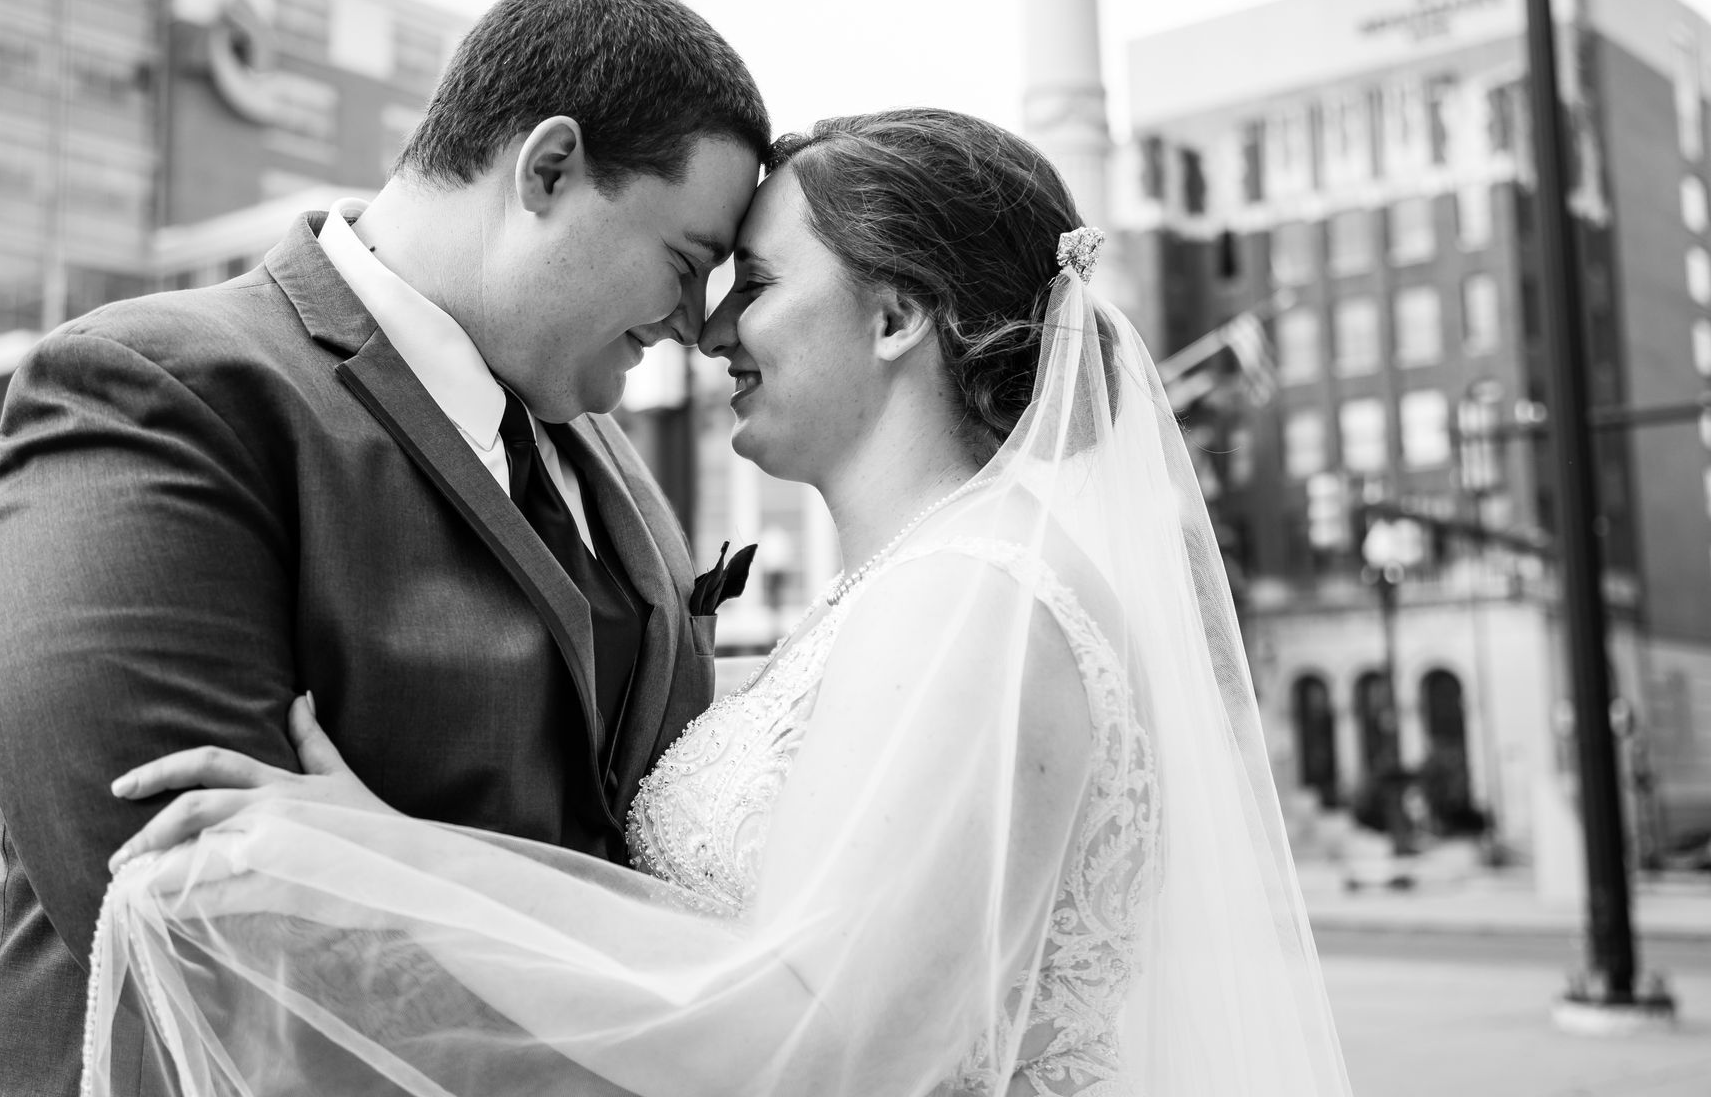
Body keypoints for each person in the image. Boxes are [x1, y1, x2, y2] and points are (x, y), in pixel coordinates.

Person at [87, 110, 1355, 1096]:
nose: (708, 329)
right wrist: (378, 844)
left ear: (899, 313)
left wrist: (375, 865)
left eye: (752, 280)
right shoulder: (924, 589)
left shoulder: (981, 600)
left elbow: (812, 1038)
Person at [0, 0, 767, 1097]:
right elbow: (199, 934)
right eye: (685, 264)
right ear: (547, 168)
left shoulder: (615, 469)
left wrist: (384, 861)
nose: (694, 326)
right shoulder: (152, 393)